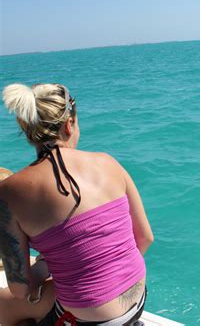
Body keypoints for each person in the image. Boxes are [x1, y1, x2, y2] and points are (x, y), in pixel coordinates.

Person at [0, 83, 154, 325]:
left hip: (88, 319)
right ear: (69, 125)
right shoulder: (109, 162)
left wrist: (44, 267)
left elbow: (21, 289)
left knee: (4, 306)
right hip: (139, 299)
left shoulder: (9, 192)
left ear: (27, 129)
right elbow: (145, 238)